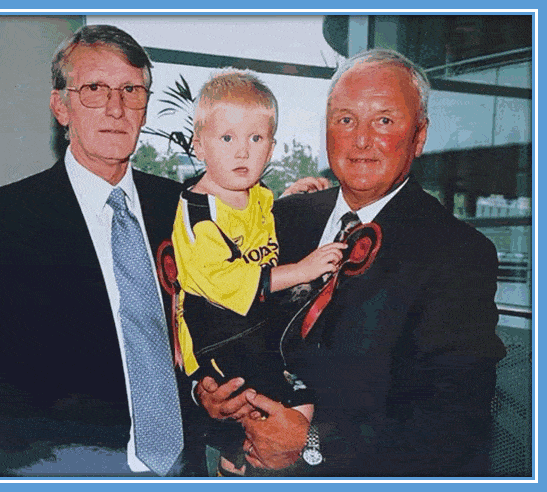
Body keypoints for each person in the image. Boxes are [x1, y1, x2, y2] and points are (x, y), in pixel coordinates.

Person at [197, 49, 507, 477]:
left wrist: (311, 443)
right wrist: (209, 393)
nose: (361, 140)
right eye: (345, 120)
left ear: (419, 136)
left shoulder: (457, 253)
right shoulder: (282, 220)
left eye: (384, 121)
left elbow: (453, 424)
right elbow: (221, 321)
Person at [0, 24, 204, 477]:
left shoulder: (183, 208)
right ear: (60, 106)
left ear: (145, 107)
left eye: (131, 89)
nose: (116, 107)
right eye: (94, 89)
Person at [170, 70, 345, 475]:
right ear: (199, 145)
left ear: (271, 148)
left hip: (247, 324)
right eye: (227, 138)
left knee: (298, 397)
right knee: (283, 396)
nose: (242, 152)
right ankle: (236, 467)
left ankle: (242, 463)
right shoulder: (197, 213)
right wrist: (302, 269)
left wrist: (286, 200)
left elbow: (254, 234)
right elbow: (232, 282)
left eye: (255, 139)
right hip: (215, 332)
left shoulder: (257, 198)